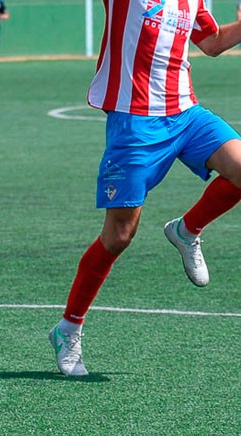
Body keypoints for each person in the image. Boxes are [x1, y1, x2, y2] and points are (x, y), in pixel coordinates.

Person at [48, 0, 241, 376]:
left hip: (186, 114)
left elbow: (212, 42)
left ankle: (187, 230)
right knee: (119, 236)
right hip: (135, 123)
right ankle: (68, 328)